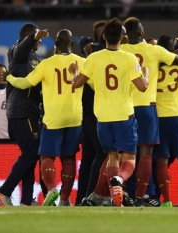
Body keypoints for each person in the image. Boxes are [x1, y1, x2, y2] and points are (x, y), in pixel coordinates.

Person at [119, 17, 178, 207]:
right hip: (172, 115)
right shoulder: (159, 55)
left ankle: (164, 200)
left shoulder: (121, 52)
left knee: (138, 156)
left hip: (134, 110)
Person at [70, 18, 149, 207]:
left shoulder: (94, 58)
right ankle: (120, 180)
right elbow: (142, 87)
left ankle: (115, 195)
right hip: (124, 115)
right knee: (129, 157)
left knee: (112, 156)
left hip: (103, 117)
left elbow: (76, 84)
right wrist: (145, 74)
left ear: (104, 36)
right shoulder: (130, 58)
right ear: (123, 38)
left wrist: (74, 71)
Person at [5, 29, 85, 206]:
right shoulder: (83, 62)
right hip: (75, 117)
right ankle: (65, 199)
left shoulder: (46, 64)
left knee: (47, 157)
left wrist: (8, 77)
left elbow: (25, 83)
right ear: (72, 44)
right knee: (69, 158)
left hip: (53, 118)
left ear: (55, 46)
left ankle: (51, 189)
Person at [0, 23, 49, 206]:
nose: (39, 42)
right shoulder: (17, 51)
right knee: (31, 154)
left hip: (29, 110)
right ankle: (4, 191)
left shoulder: (33, 57)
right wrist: (32, 38)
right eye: (38, 39)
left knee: (30, 155)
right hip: (22, 111)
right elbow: (20, 52)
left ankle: (26, 200)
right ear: (28, 37)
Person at [76, 20, 107, 206]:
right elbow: (85, 45)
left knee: (90, 155)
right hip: (89, 112)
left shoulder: (104, 53)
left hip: (99, 111)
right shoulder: (91, 50)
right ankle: (89, 196)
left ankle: (84, 197)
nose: (102, 34)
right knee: (100, 152)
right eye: (100, 32)